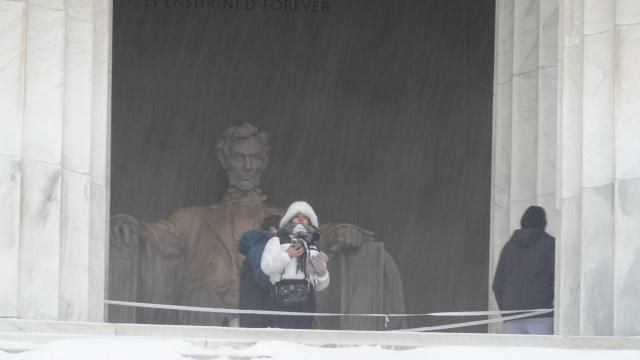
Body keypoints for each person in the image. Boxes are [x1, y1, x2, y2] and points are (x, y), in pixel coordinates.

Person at [109, 122, 404, 328]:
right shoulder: (192, 219)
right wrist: (131, 223)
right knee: (200, 296)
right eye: (239, 158)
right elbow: (156, 235)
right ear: (225, 160)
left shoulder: (283, 218)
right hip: (210, 321)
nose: (247, 167)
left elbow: (318, 235)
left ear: (265, 161)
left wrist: (341, 231)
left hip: (269, 315)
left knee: (289, 302)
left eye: (254, 158)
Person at [261, 201, 329, 329]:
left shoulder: (313, 247)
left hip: (307, 298)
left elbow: (320, 286)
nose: (301, 219)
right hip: (281, 295)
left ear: (310, 221)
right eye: (297, 216)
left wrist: (322, 274)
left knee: (303, 337)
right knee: (282, 337)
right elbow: (266, 267)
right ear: (289, 219)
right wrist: (287, 255)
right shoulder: (277, 240)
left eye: (305, 217)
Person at [492, 206, 555, 335]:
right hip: (541, 315)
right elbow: (559, 282)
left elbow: (497, 286)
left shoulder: (508, 248)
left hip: (512, 317)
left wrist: (507, 311)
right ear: (543, 223)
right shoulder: (550, 244)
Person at [237, 215, 280, 328]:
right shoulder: (264, 245)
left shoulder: (257, 244)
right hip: (259, 303)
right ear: (273, 229)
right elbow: (263, 278)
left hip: (252, 302)